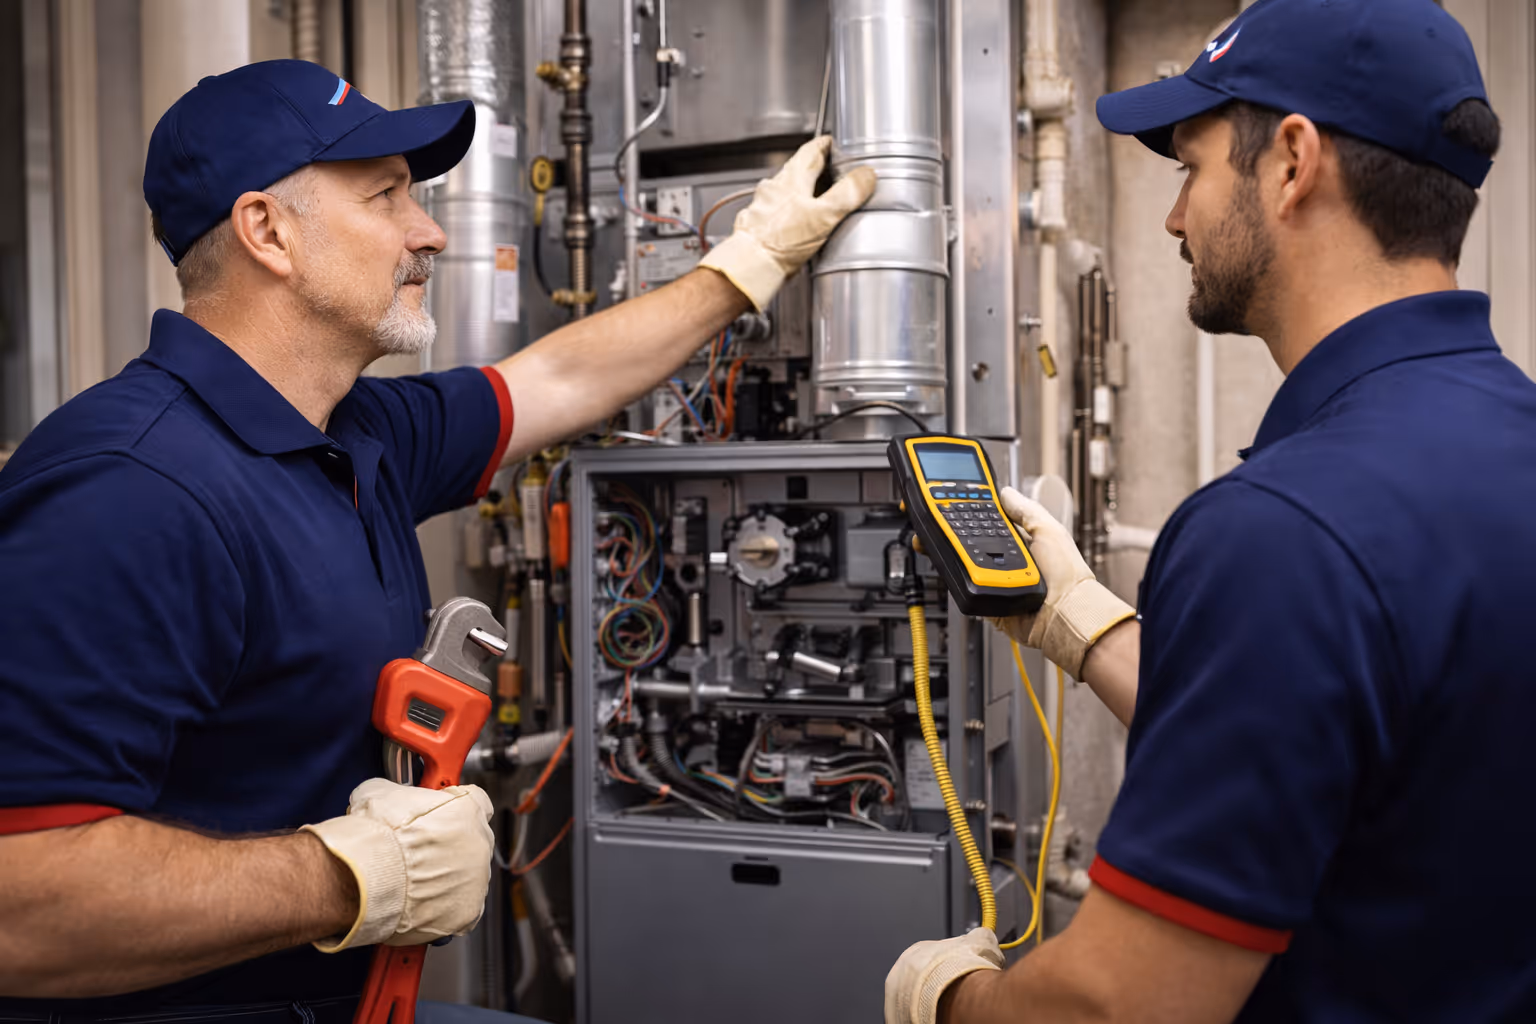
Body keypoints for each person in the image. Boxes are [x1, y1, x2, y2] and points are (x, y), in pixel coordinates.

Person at [0, 59, 873, 1017]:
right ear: (267, 230)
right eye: (385, 197)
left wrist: (747, 264)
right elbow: (23, 906)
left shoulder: (354, 428)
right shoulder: (133, 491)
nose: (431, 232)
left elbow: (556, 381)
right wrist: (352, 875)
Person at [885, 1, 1536, 1022]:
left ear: (1290, 162)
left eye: (1190, 167)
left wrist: (947, 994)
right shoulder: (1501, 445)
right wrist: (1082, 619)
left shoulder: (1284, 528)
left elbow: (1115, 1008)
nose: (1174, 217)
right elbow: (1366, 741)